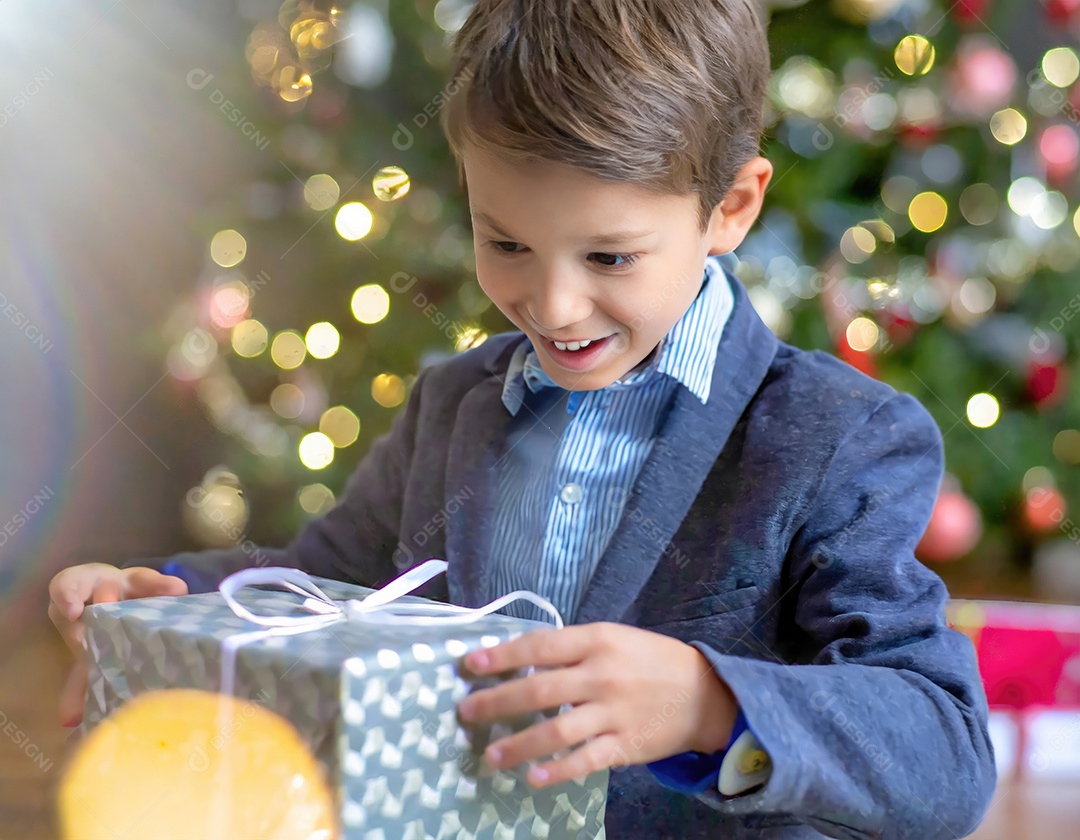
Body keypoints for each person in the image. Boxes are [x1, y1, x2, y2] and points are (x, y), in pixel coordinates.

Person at [49, 1, 996, 836]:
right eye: (505, 243)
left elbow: (945, 753)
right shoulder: (452, 404)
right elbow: (326, 585)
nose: (552, 305)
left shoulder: (837, 437)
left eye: (610, 258)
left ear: (731, 208)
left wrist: (709, 705)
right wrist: (170, 599)